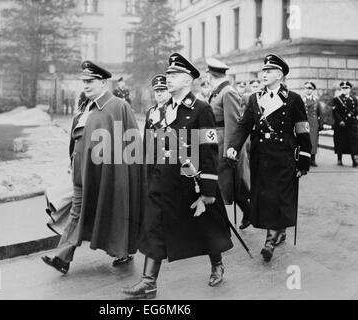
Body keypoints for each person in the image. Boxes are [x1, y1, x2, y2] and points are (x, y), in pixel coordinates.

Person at [123, 53, 233, 299]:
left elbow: (208, 151)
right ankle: (148, 282)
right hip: (163, 181)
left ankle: (216, 263)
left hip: (190, 183)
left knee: (206, 227)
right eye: (169, 74)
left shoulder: (201, 109)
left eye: (174, 75)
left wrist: (207, 191)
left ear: (187, 80)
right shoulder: (164, 110)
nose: (169, 78)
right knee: (154, 227)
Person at [42, 61, 144, 274]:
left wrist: (122, 175)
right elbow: (76, 140)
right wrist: (72, 164)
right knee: (76, 214)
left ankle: (123, 251)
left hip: (108, 174)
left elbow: (132, 143)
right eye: (84, 82)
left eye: (90, 81)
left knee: (116, 210)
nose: (86, 86)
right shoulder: (85, 107)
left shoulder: (118, 106)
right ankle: (62, 258)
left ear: (103, 82)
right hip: (82, 174)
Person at [227, 53, 312, 262]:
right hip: (261, 155)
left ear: (280, 74)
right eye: (263, 71)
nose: (263, 74)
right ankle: (278, 230)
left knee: (278, 197)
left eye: (268, 71)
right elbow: (244, 125)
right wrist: (233, 147)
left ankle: (269, 241)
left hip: (283, 157)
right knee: (265, 197)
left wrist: (303, 160)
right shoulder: (255, 98)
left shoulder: (293, 99)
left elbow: (302, 131)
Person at [207, 58, 252, 230]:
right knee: (227, 184)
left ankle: (224, 223)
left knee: (225, 185)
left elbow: (233, 124)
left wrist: (230, 150)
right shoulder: (218, 92)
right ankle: (247, 212)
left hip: (223, 146)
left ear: (211, 76)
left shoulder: (228, 92)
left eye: (208, 77)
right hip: (215, 143)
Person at [144, 74, 171, 182]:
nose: (159, 93)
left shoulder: (175, 111)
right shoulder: (150, 112)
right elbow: (147, 139)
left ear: (169, 91)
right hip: (152, 160)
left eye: (162, 90)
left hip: (168, 160)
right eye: (157, 91)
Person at [331, 81, 358, 167]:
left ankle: (355, 160)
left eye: (347, 88)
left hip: (351, 124)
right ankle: (339, 159)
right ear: (341, 89)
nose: (345, 90)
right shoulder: (337, 99)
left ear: (350, 89)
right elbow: (335, 112)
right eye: (343, 88)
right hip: (341, 125)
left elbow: (356, 111)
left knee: (353, 143)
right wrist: (340, 121)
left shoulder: (354, 99)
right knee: (340, 142)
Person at [302, 81, 323, 167]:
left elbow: (320, 113)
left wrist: (321, 124)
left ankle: (313, 160)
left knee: (313, 142)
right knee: (304, 141)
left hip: (314, 124)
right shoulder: (301, 100)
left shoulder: (316, 100)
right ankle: (304, 160)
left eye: (310, 88)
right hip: (304, 123)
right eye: (306, 88)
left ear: (313, 89)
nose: (308, 90)